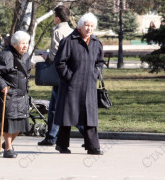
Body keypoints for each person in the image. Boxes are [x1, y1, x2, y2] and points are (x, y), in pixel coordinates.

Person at [53, 12, 104, 155]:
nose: (89, 28)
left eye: (92, 26)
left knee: (90, 117)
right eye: (87, 25)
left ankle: (93, 146)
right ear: (80, 27)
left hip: (89, 85)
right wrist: (69, 77)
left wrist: (95, 73)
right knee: (67, 116)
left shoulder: (96, 42)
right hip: (71, 86)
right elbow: (59, 62)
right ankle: (62, 145)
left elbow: (100, 62)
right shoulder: (69, 41)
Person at [37, 5, 84, 146]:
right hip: (70, 73)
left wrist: (46, 55)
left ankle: (87, 133)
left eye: (53, 17)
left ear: (57, 18)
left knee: (63, 107)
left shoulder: (57, 32)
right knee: (54, 106)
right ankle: (51, 136)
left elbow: (56, 55)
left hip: (59, 74)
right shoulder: (72, 31)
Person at [0, 31, 32, 158]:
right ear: (14, 44)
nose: (25, 46)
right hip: (9, 94)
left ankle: (7, 144)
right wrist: (2, 86)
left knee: (21, 124)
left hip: (21, 94)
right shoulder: (6, 56)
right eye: (22, 43)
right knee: (9, 122)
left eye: (26, 43)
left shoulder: (26, 56)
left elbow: (26, 73)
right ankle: (8, 149)